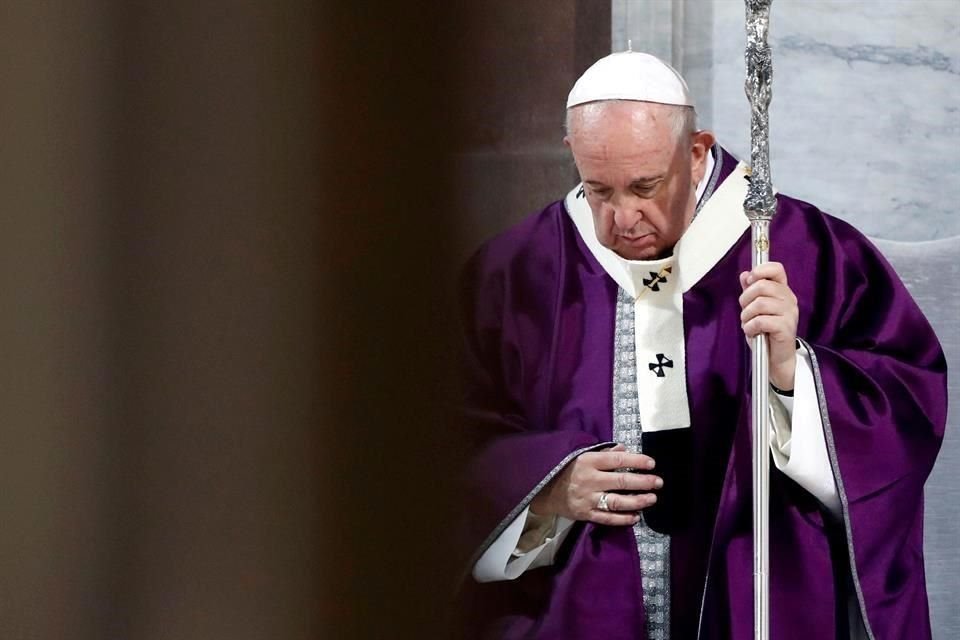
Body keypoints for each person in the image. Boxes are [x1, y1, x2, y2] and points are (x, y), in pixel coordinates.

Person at [457, 51, 947, 640]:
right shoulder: (517, 273)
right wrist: (544, 488)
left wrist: (794, 375)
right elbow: (447, 436)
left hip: (757, 602)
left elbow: (905, 411)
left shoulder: (805, 250)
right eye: (598, 189)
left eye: (645, 186)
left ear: (696, 153)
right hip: (575, 610)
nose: (622, 218)